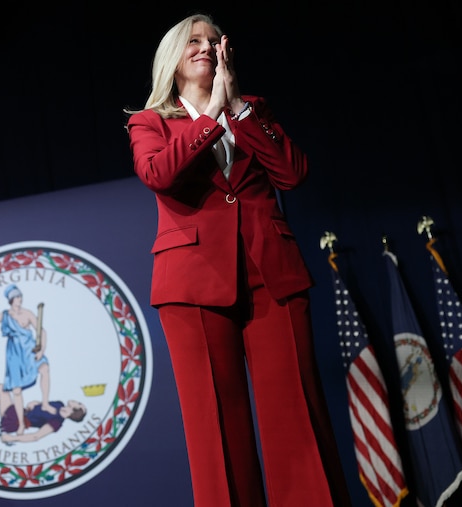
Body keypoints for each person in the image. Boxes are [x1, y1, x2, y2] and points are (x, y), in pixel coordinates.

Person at [124, 13, 351, 507]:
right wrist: (209, 116)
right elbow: (160, 174)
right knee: (216, 431)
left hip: (272, 273)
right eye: (193, 41)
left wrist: (238, 111)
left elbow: (291, 174)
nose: (205, 47)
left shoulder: (253, 110)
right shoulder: (150, 122)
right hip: (193, 286)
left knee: (298, 417)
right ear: (172, 58)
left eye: (212, 40)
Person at [0, 285, 54, 436]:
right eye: (16, 297)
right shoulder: (5, 315)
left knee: (45, 368)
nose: (19, 300)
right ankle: (21, 424)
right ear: (11, 300)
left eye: (20, 297)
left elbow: (42, 330)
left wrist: (42, 350)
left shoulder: (27, 313)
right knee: (16, 390)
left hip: (30, 350)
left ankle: (45, 403)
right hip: (14, 354)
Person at [0, 384, 86, 443]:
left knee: (1, 390)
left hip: (17, 422)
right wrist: (35, 403)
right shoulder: (59, 404)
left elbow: (35, 437)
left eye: (79, 404)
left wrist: (12, 439)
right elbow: (42, 406)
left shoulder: (56, 423)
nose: (78, 401)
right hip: (20, 411)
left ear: (76, 412)